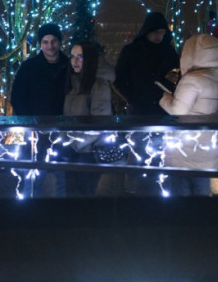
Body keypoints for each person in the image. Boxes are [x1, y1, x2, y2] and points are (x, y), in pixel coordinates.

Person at [158, 34, 218, 196]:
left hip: (185, 149)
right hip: (207, 147)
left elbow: (177, 110)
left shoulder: (192, 80)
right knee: (202, 190)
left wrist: (164, 97)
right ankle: (201, 220)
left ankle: (183, 220)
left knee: (180, 194)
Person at [11, 23, 70, 197]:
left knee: (61, 172)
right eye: (45, 42)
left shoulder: (69, 65)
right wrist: (29, 122)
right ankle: (33, 208)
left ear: (59, 42)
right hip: (35, 129)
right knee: (35, 173)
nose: (50, 46)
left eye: (53, 41)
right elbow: (17, 96)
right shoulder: (29, 67)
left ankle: (63, 209)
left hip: (62, 128)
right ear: (40, 43)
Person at [63, 41, 117, 196]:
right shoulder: (75, 81)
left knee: (85, 198)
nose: (75, 61)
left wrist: (76, 142)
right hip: (74, 150)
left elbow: (100, 121)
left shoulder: (98, 84)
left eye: (80, 57)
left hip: (88, 153)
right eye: (72, 56)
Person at [115, 12, 180, 115]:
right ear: (147, 31)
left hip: (164, 106)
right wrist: (132, 99)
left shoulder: (169, 52)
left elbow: (177, 72)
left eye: (161, 32)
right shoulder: (131, 51)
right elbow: (119, 79)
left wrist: (172, 81)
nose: (158, 35)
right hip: (139, 109)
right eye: (154, 32)